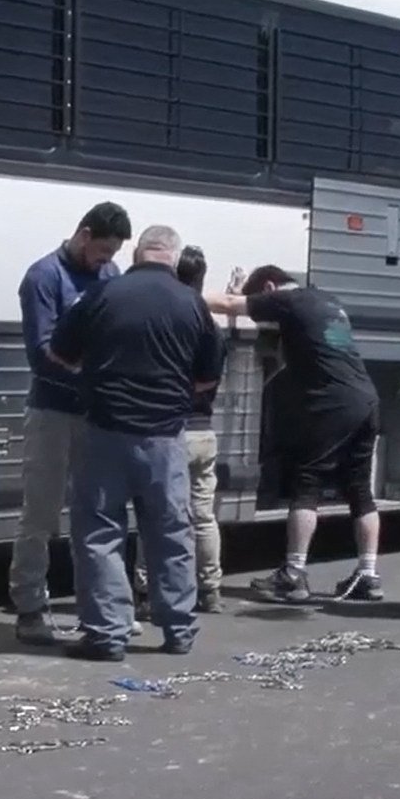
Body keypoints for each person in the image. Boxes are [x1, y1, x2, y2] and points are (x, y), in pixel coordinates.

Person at [44, 225, 224, 660]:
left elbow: (59, 353)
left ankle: (107, 635)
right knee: (170, 533)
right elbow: (208, 376)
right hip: (165, 437)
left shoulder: (103, 294)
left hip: (104, 432)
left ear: (138, 253)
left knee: (100, 533)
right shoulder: (192, 304)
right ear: (174, 258)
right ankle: (178, 630)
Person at [206, 266, 382, 602]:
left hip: (332, 403)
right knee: (359, 488)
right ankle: (368, 575)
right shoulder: (325, 300)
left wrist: (189, 295)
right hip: (366, 398)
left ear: (271, 289)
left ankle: (293, 573)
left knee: (308, 483)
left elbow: (229, 304)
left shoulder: (287, 301)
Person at [11, 203, 131, 643]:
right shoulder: (44, 277)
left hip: (94, 414)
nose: (104, 260)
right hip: (53, 412)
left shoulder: (110, 275)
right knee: (40, 515)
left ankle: (98, 608)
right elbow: (41, 354)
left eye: (111, 253)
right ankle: (29, 609)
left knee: (98, 513)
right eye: (100, 250)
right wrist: (93, 375)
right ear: (82, 234)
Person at [173, 246, 226, 613]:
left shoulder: (172, 320)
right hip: (205, 431)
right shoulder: (211, 325)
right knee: (204, 517)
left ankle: (148, 592)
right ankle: (211, 590)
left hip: (173, 430)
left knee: (160, 515)